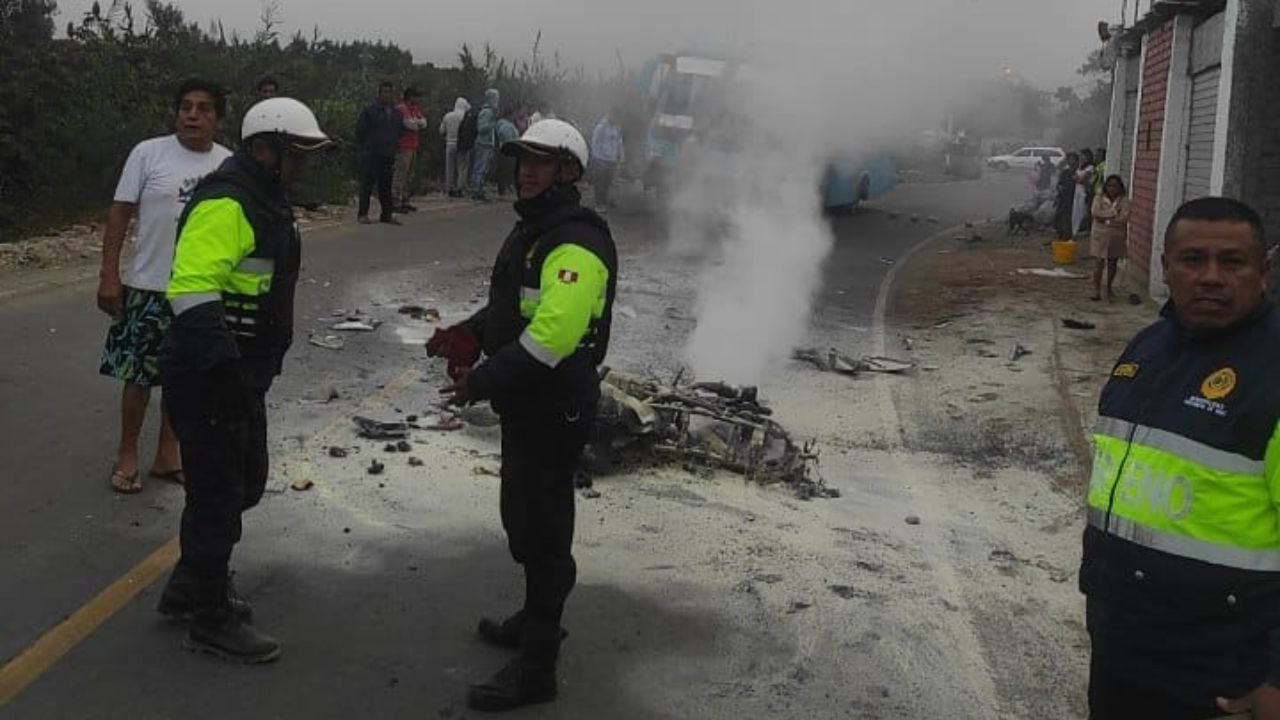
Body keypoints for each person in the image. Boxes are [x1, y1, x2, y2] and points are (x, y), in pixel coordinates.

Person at [427, 119, 617, 711]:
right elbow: (514, 307)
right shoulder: (536, 230)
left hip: (554, 406)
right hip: (529, 404)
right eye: (522, 160)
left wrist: (481, 381)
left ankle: (537, 666)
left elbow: (552, 335)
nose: (526, 171)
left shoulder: (575, 242)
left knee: (544, 530)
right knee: (524, 521)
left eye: (540, 161)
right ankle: (535, 619)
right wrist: (469, 331)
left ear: (568, 172)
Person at [1081, 197, 1280, 720]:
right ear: (1166, 266)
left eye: (1232, 262)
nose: (1211, 277)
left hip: (1221, 674)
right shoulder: (1146, 349)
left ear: (1263, 272)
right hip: (1122, 646)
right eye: (1193, 260)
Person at [155, 97, 335, 662]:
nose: (303, 166)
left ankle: (189, 582)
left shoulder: (265, 201)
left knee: (244, 483)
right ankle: (210, 616)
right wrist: (225, 371)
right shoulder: (227, 203)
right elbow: (191, 290)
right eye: (296, 155)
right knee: (219, 495)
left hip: (237, 375)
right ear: (265, 150)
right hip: (210, 375)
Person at [96, 79, 233, 494]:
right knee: (138, 376)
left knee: (185, 378)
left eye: (203, 108)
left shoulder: (229, 165)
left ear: (218, 119)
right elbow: (120, 213)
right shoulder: (148, 153)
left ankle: (167, 455)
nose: (192, 115)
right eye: (185, 107)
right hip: (148, 286)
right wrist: (109, 274)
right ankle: (127, 454)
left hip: (202, 291)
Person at [355, 80, 402, 225]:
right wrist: (365, 149)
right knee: (367, 185)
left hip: (388, 154)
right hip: (372, 154)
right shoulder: (370, 111)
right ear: (379, 94)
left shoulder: (396, 113)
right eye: (385, 92)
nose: (387, 95)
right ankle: (363, 214)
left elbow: (398, 132)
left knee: (385, 186)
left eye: (390, 92)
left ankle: (387, 214)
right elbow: (360, 131)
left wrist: (394, 149)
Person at [1089, 175, 1130, 302]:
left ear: (1120, 188)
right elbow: (1096, 213)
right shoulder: (1099, 198)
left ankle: (1109, 288)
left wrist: (1106, 220)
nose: (1112, 189)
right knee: (1098, 263)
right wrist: (1112, 214)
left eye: (1115, 186)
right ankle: (1096, 289)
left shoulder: (1124, 201)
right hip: (1100, 235)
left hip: (1116, 236)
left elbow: (1124, 217)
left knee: (1112, 263)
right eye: (1109, 185)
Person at [393, 86, 429, 213]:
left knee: (409, 175)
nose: (418, 99)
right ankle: (395, 200)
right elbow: (409, 125)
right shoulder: (402, 108)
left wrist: (416, 122)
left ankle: (404, 199)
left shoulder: (414, 109)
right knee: (400, 174)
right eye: (416, 96)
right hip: (403, 146)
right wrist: (417, 123)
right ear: (410, 97)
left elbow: (424, 123)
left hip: (413, 145)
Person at [469, 88, 501, 201]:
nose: (497, 101)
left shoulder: (489, 112)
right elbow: (481, 128)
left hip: (486, 144)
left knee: (483, 168)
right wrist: (493, 123)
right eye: (496, 98)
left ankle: (478, 189)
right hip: (483, 144)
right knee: (480, 168)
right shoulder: (487, 112)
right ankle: (476, 190)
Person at [589, 114, 624, 213]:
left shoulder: (616, 128)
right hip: (601, 160)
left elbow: (619, 142)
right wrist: (596, 157)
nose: (616, 119)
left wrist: (620, 155)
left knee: (607, 183)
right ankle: (598, 204)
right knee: (600, 183)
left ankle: (603, 202)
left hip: (612, 160)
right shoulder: (600, 127)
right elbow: (594, 143)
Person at [439, 97, 471, 197]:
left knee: (449, 167)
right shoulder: (464, 116)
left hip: (449, 144)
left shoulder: (448, 116)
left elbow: (441, 130)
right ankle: (460, 188)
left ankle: (450, 188)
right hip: (462, 144)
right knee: (462, 167)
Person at [494, 110, 520, 198]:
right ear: (510, 115)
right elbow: (508, 139)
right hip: (508, 151)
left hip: (505, 150)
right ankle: (503, 190)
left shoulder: (503, 124)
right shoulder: (506, 126)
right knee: (505, 170)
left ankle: (503, 189)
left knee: (503, 170)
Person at [1054, 152, 1080, 240]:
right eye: (1069, 159)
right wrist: (1060, 190)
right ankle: (1061, 234)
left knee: (1072, 216)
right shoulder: (1065, 172)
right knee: (1061, 216)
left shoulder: (1079, 172)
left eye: (1073, 159)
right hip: (1064, 198)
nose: (1071, 161)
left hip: (1075, 198)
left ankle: (1069, 234)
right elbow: (1059, 184)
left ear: (1077, 161)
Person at [1075, 148, 1097, 235]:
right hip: (1077, 190)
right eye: (1081, 156)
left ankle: (1085, 228)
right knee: (1076, 210)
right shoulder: (1080, 167)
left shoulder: (1090, 167)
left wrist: (1076, 178)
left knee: (1083, 209)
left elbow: (1083, 180)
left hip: (1084, 191)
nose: (1082, 158)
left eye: (1083, 156)